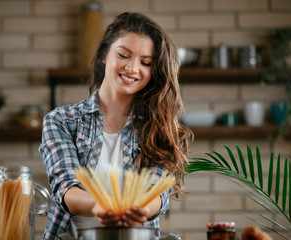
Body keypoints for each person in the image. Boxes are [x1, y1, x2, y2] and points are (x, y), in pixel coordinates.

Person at [39, 12, 193, 240]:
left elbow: (157, 193)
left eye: (145, 62)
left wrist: (140, 210)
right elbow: (66, 189)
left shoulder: (158, 127)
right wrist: (103, 207)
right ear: (104, 54)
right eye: (123, 55)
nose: (132, 68)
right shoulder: (61, 121)